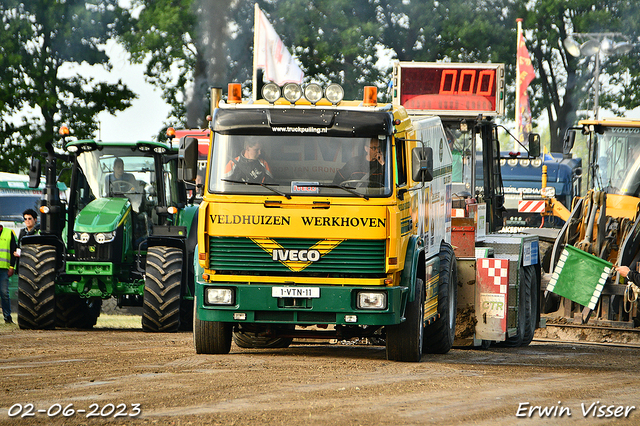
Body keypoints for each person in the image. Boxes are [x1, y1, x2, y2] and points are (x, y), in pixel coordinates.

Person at [0, 223, 18, 324]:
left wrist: (12, 267)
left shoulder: (9, 233)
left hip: (4, 269)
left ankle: (7, 317)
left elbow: (13, 251)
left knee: (4, 294)